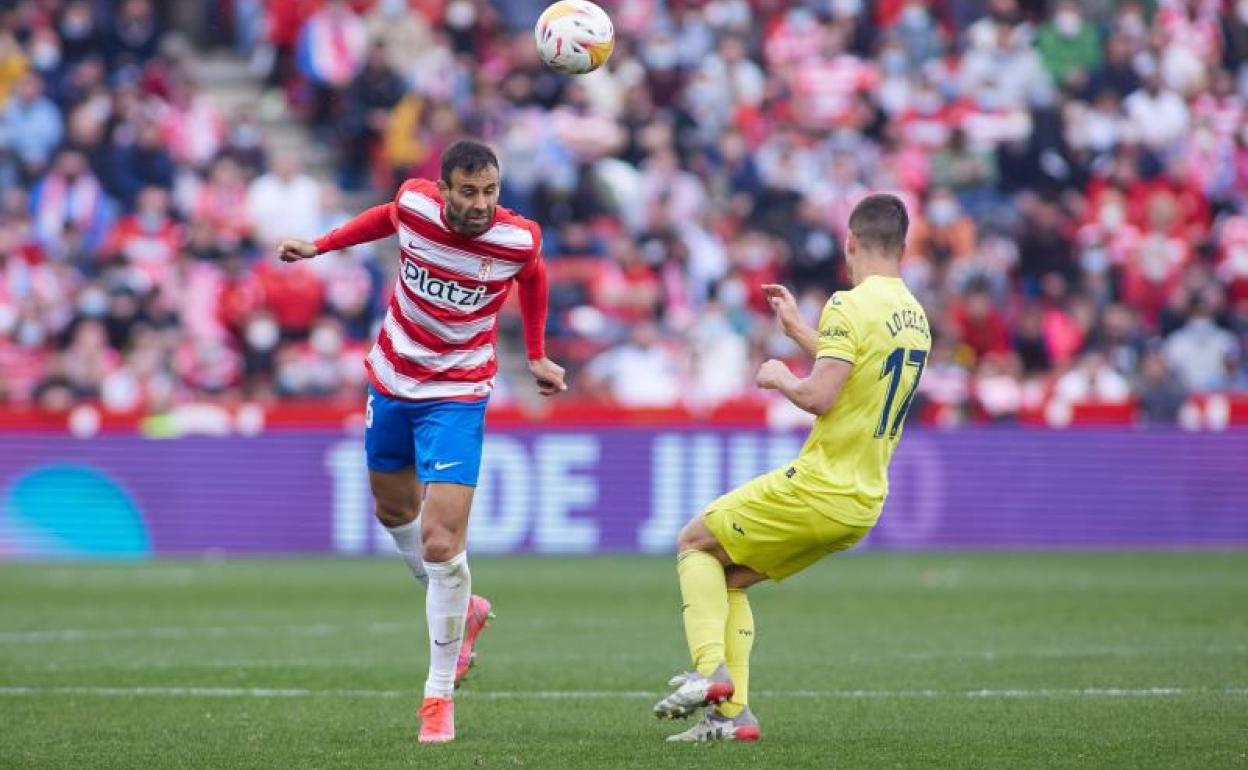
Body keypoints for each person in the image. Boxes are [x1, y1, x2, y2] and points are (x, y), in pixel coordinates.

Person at [277, 140, 566, 744]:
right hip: (392, 374)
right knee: (392, 510)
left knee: (441, 542)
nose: (482, 204)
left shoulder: (518, 239)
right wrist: (322, 245)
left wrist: (536, 354)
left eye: (490, 192)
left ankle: (437, 698)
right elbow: (383, 217)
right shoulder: (414, 204)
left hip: (458, 393)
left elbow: (534, 278)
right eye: (469, 192)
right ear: (445, 189)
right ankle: (470, 610)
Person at [654, 194, 930, 742]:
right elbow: (861, 371)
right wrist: (802, 333)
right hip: (864, 500)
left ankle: (710, 672)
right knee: (727, 579)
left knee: (692, 542)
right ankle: (735, 718)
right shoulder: (916, 317)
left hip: (822, 484)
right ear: (903, 247)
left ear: (850, 242)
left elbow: (823, 395)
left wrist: (782, 375)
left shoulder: (848, 305)